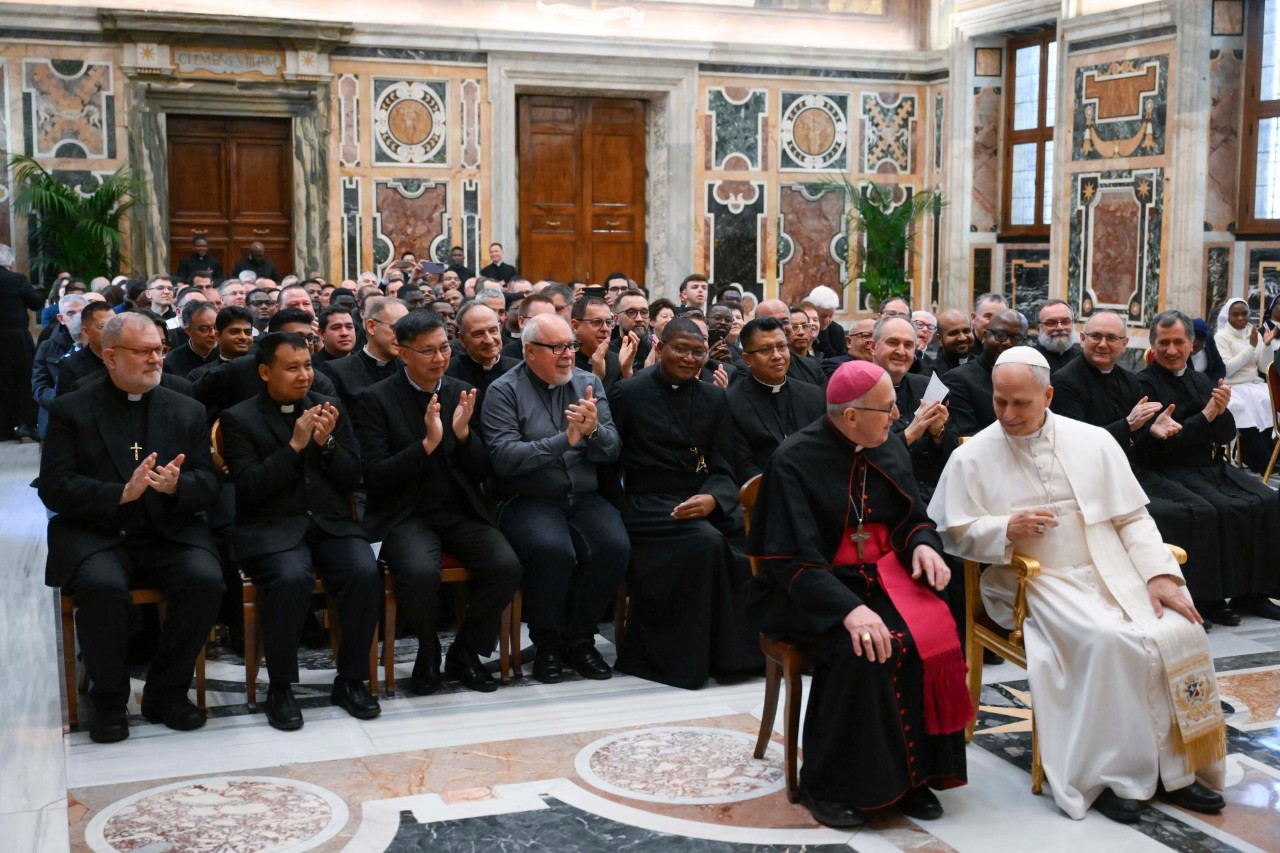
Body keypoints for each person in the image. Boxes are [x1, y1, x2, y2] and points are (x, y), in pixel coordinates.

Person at [930, 346, 1227, 824]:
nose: (1007, 414)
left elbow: (1131, 517)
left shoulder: (1094, 441)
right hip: (1035, 579)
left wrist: (1160, 575)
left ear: (1047, 396)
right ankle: (1111, 775)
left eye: (1021, 403)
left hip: (1114, 567)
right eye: (1000, 401)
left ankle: (1180, 769)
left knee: (1181, 628)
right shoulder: (973, 456)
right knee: (1108, 642)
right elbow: (953, 531)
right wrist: (1004, 528)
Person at [748, 359, 968, 827]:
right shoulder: (793, 460)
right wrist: (848, 610)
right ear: (850, 416)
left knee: (930, 630)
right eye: (888, 408)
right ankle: (829, 787)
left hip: (881, 576)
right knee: (864, 647)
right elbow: (789, 559)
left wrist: (924, 546)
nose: (897, 416)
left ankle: (915, 777)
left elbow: (913, 517)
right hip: (809, 589)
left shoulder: (887, 445)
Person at [39, 312, 224, 743]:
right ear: (110, 357)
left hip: (168, 530)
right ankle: (108, 701)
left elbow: (210, 481)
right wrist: (119, 494)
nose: (156, 359)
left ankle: (166, 692)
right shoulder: (72, 408)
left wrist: (178, 486)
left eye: (159, 349)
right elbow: (54, 486)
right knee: (101, 587)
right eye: (143, 352)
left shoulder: (186, 407)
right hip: (99, 532)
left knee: (205, 580)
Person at [220, 332, 381, 730]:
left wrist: (326, 445)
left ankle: (351, 680)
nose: (304, 375)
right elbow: (249, 488)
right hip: (272, 527)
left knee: (364, 571)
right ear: (265, 372)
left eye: (307, 365)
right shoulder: (239, 418)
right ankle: (281, 687)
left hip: (330, 523)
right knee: (290, 578)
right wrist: (294, 446)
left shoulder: (330, 407)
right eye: (291, 368)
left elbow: (353, 477)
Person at [357, 310, 522, 695]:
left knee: (506, 566)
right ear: (402, 353)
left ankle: (464, 653)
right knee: (418, 572)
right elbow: (375, 475)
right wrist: (427, 445)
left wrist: (463, 435)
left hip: (459, 509)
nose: (439, 358)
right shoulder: (375, 400)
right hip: (405, 513)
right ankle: (428, 651)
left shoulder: (461, 391)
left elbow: (482, 469)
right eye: (427, 351)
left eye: (444, 348)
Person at [609, 317, 760, 688]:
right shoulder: (629, 393)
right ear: (660, 348)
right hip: (647, 505)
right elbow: (609, 465)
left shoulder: (713, 397)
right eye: (681, 349)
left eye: (698, 352)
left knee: (749, 541)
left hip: (702, 496)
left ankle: (738, 657)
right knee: (705, 542)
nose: (691, 359)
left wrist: (713, 497)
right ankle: (680, 661)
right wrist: (622, 511)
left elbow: (725, 464)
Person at [1051, 311, 1225, 625]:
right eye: (1096, 336)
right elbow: (1076, 445)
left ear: (1125, 343)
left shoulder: (1128, 380)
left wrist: (1153, 431)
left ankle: (1200, 599)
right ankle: (1162, 598)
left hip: (1132, 471)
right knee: (1171, 514)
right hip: (1092, 480)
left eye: (1112, 338)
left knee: (1202, 509)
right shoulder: (1064, 382)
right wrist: (1129, 426)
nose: (1103, 344)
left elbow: (1140, 440)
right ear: (1082, 339)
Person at [483, 314, 629, 683]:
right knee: (553, 551)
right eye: (557, 347)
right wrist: (565, 440)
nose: (568, 355)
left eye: (571, 345)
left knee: (614, 546)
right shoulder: (504, 390)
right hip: (527, 497)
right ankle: (548, 644)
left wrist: (594, 431)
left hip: (583, 494)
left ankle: (579, 641)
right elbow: (504, 459)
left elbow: (612, 450)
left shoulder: (588, 383)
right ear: (530, 351)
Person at [1139, 310, 1280, 622]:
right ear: (1153, 345)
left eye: (1179, 342)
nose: (1172, 350)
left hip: (1213, 465)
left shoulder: (1201, 380)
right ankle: (1208, 598)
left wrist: (1220, 411)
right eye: (1164, 343)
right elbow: (1166, 442)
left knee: (1266, 500)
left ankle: (1253, 593)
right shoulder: (1143, 385)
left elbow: (1226, 433)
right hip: (1174, 468)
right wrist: (1206, 416)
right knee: (1218, 510)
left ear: (1192, 345)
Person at [726, 316, 825, 482]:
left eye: (781, 347)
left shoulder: (813, 395)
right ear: (747, 359)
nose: (777, 356)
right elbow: (742, 464)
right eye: (765, 350)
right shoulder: (731, 402)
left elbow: (824, 449)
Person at [872, 316, 955, 503]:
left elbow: (951, 454)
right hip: (882, 493)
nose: (901, 351)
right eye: (893, 343)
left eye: (908, 345)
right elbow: (862, 456)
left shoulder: (927, 386)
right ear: (873, 347)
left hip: (933, 494)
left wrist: (938, 433)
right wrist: (910, 434)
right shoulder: (856, 389)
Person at [1213, 298, 1276, 472]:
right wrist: (1251, 347)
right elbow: (1227, 369)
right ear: (1228, 315)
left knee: (1269, 402)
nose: (1241, 318)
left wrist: (1267, 345)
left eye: (1244, 314)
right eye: (1235, 314)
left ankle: (1266, 455)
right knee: (1245, 408)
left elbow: (1263, 367)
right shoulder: (1221, 337)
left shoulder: (1253, 332)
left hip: (1254, 384)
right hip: (1232, 386)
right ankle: (1262, 460)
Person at [946, 309, 1026, 436]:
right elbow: (966, 437)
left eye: (1016, 338)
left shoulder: (1029, 380)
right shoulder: (958, 379)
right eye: (1000, 335)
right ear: (984, 336)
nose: (1007, 343)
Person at [318, 297, 407, 410]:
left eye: (406, 329)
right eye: (396, 328)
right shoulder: (336, 371)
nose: (403, 336)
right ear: (371, 327)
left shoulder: (408, 369)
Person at [446, 302, 520, 414]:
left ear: (500, 329)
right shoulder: (449, 373)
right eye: (479, 334)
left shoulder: (519, 369)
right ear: (462, 339)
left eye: (493, 330)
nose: (489, 340)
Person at [0, 245, 43, 440]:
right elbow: (36, 303)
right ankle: (26, 424)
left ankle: (4, 428)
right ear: (11, 263)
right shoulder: (16, 280)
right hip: (15, 338)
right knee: (24, 378)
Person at [32, 291, 88, 437]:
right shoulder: (48, 346)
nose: (77, 317)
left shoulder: (99, 343)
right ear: (61, 319)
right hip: (56, 415)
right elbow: (39, 387)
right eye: (71, 313)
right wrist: (63, 398)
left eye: (81, 312)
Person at [754, 299, 824, 385]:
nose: (781, 327)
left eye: (785, 321)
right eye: (773, 322)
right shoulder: (747, 368)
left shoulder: (812, 367)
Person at [573, 295, 633, 394]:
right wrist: (596, 376)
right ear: (575, 326)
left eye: (609, 322)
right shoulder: (566, 360)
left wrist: (627, 372)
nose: (605, 329)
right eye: (597, 322)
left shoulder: (618, 361)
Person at [163, 300, 219, 379]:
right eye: (204, 329)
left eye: (216, 327)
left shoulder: (227, 353)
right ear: (188, 331)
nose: (213, 334)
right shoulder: (173, 361)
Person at [1031, 299, 1082, 372]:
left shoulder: (1085, 357)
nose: (1060, 328)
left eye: (1065, 322)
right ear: (1038, 329)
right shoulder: (1029, 360)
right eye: (1051, 323)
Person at [806, 285, 847, 359]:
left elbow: (843, 357)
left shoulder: (837, 330)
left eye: (831, 316)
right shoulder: (803, 329)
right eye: (823, 316)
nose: (827, 320)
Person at [933, 309, 975, 375]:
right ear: (940, 339)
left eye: (966, 331)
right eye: (954, 333)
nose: (962, 338)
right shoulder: (932, 373)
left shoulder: (985, 367)